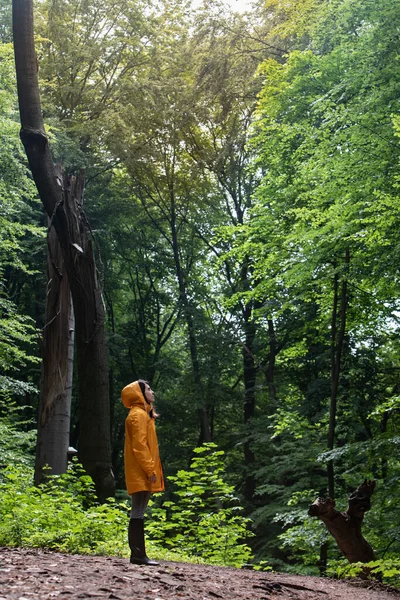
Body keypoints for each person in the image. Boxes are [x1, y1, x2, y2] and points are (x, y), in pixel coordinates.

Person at [121, 379, 164, 565]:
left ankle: (139, 554)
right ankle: (138, 554)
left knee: (139, 509)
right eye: (148, 389)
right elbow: (139, 446)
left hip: (142, 468)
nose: (152, 392)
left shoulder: (143, 414)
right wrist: (149, 468)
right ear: (139, 393)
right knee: (137, 510)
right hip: (140, 469)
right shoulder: (137, 415)